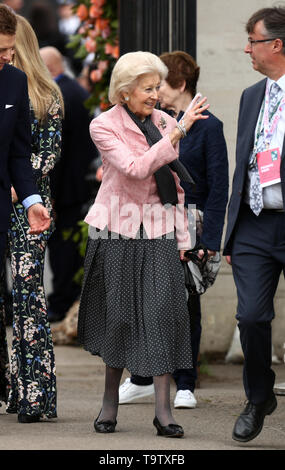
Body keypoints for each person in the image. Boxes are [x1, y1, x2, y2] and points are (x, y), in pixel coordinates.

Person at [77, 51, 210, 437]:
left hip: (159, 231)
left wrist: (184, 238)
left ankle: (164, 411)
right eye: (148, 88)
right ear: (125, 90)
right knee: (118, 314)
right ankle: (109, 402)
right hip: (116, 229)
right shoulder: (103, 125)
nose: (156, 95)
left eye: (158, 87)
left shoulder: (167, 122)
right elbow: (136, 169)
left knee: (163, 314)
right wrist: (177, 133)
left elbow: (177, 188)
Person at [119, 51, 228, 409]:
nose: (153, 92)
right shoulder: (152, 121)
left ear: (179, 85)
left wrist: (209, 239)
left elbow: (218, 188)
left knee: (184, 304)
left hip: (190, 219)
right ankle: (141, 377)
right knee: (142, 299)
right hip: (151, 217)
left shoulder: (209, 126)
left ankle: (185, 382)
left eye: (160, 85)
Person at [223, 6, 285, 443]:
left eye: (254, 41)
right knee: (251, 317)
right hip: (254, 223)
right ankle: (258, 396)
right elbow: (243, 163)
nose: (247, 49)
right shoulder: (250, 95)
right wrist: (231, 229)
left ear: (277, 45)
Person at [2, 14, 63, 423]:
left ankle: (34, 395)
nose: (8, 56)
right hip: (19, 197)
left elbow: (37, 155)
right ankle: (16, 391)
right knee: (26, 304)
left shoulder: (41, 91)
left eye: (10, 48)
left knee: (28, 303)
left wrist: (25, 193)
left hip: (26, 208)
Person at [39, 46, 100, 322]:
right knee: (69, 251)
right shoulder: (76, 90)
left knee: (62, 251)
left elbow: (55, 150)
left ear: (48, 68)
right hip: (79, 184)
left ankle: (60, 303)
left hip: (66, 189)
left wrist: (48, 193)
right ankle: (64, 299)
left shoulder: (59, 95)